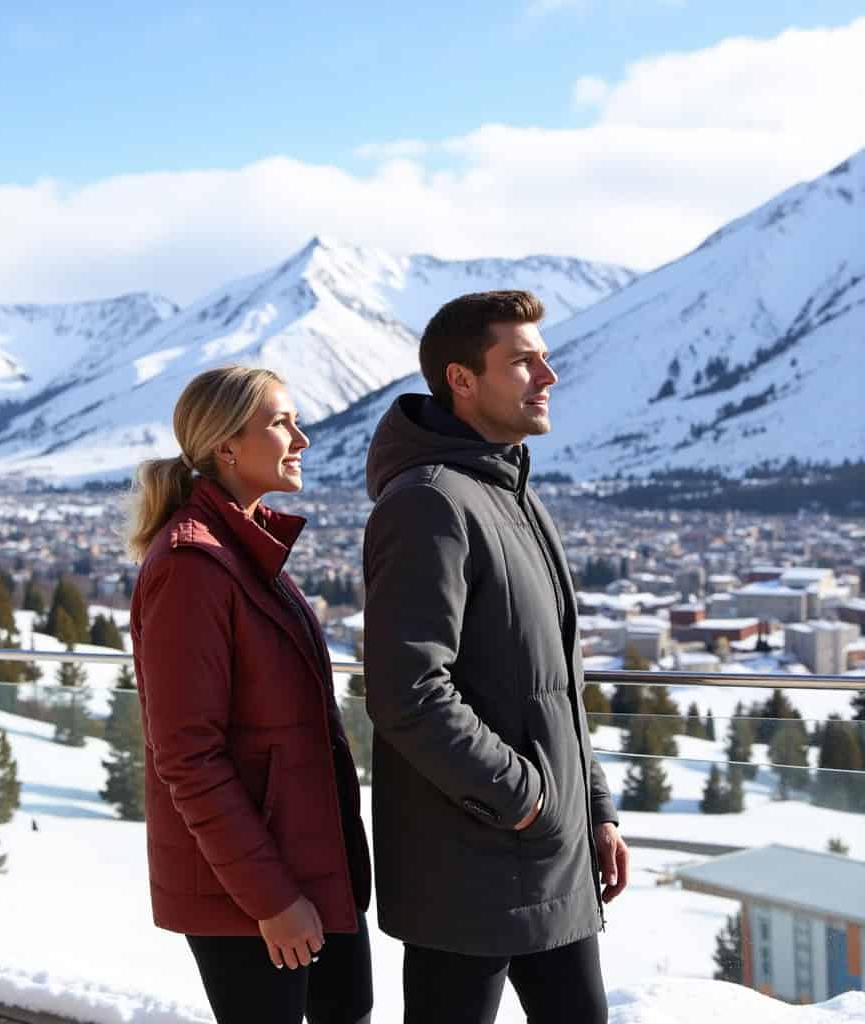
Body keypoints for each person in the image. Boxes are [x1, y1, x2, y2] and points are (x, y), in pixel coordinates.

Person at [362, 291, 628, 1024]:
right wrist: (527, 800)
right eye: (522, 360)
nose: (548, 375)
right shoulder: (429, 503)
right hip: (472, 866)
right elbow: (407, 689)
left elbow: (551, 686)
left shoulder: (508, 490)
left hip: (550, 854)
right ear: (463, 379)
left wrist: (592, 808)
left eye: (544, 358)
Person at [126, 366, 372, 1024]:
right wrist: (271, 898)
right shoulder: (191, 567)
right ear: (227, 446)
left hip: (308, 868)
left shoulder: (245, 551)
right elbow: (187, 755)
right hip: (254, 894)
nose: (303, 438)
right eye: (281, 422)